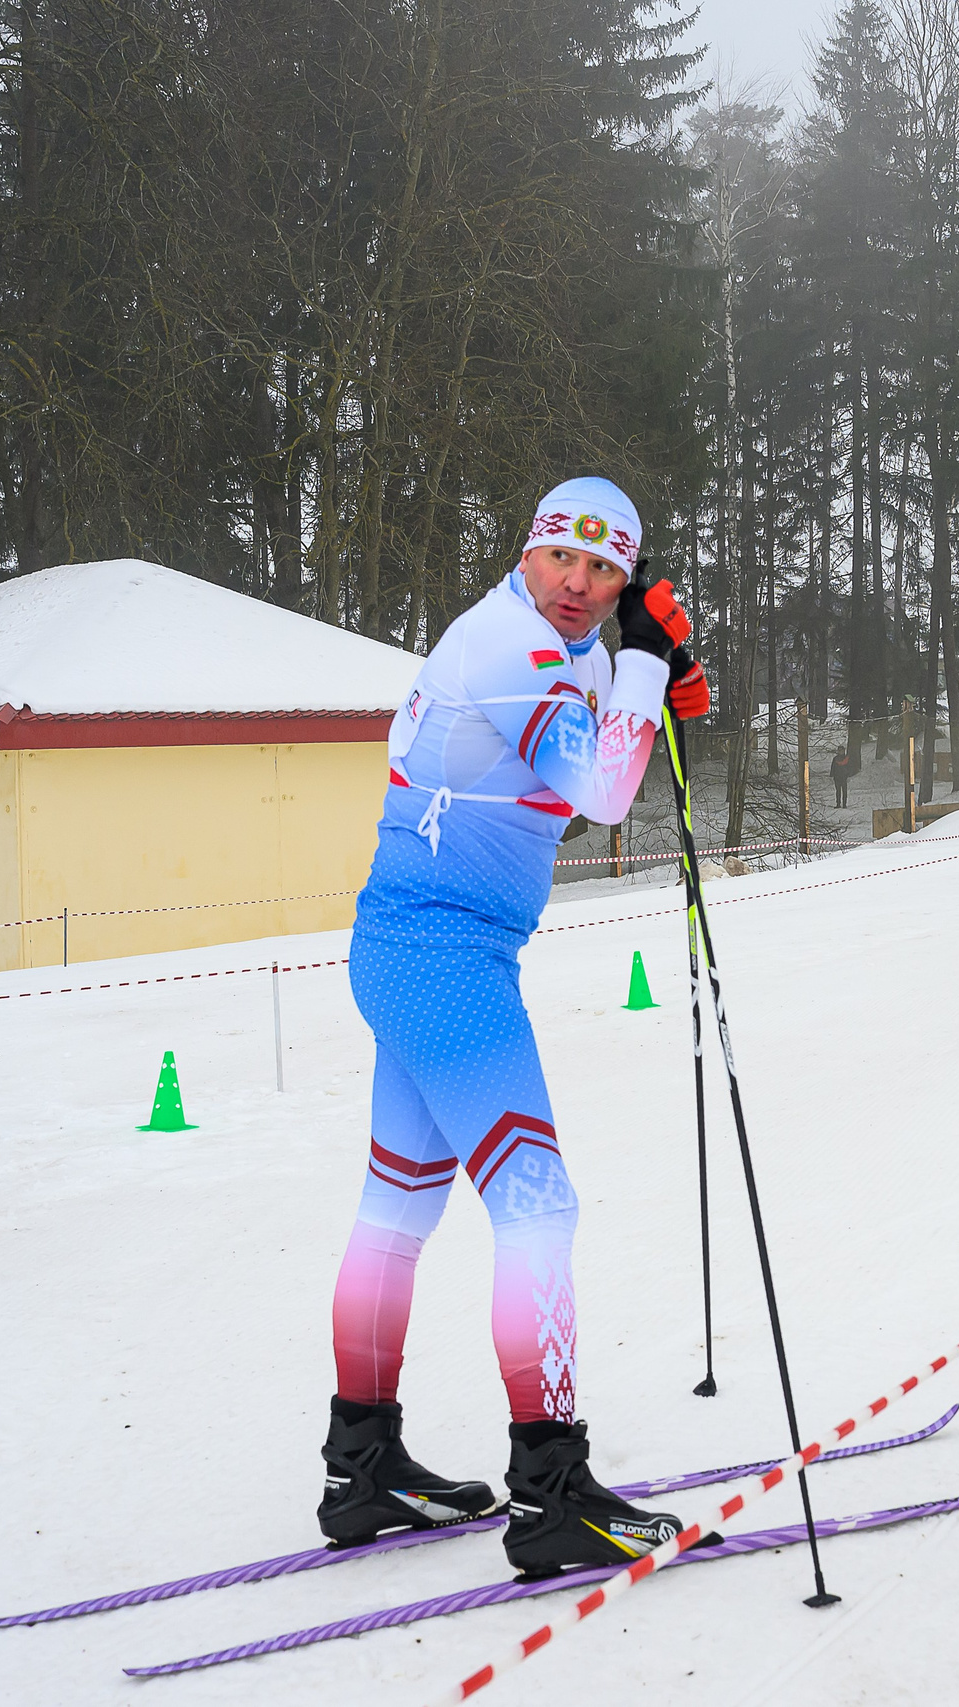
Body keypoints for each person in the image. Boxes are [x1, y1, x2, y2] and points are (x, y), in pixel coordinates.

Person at [319, 476, 716, 1575]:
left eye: (607, 572)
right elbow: (600, 790)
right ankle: (551, 1492)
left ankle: (363, 1470)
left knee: (396, 1209)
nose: (580, 588)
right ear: (528, 551)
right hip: (438, 958)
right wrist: (643, 662)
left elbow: (632, 736)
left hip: (426, 951)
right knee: (537, 1203)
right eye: (564, 561)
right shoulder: (502, 643)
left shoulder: (571, 643)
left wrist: (670, 684)